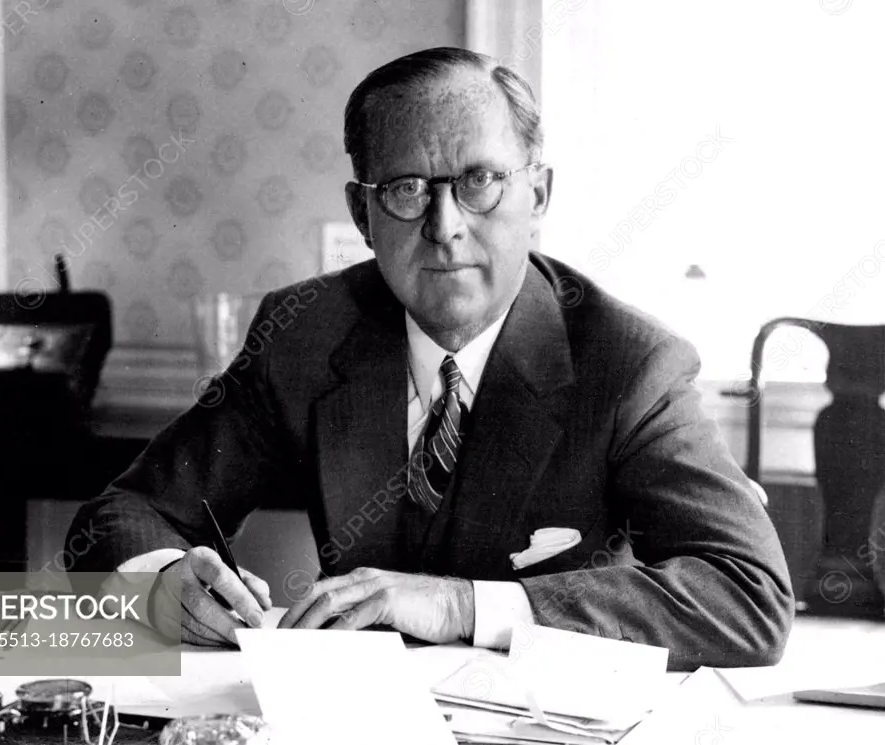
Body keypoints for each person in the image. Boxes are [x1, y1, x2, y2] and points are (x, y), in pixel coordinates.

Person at [67, 47, 793, 671]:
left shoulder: (629, 363)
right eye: (407, 190)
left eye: (479, 181)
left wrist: (461, 604)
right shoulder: (306, 334)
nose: (445, 228)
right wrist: (165, 585)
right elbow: (121, 513)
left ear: (537, 194)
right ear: (363, 215)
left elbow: (749, 595)